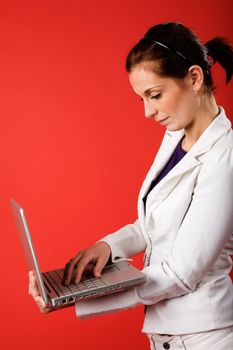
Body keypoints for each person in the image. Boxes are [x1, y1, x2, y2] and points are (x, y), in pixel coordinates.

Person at [29, 22, 233, 349]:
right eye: (141, 98)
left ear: (194, 78)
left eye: (155, 95)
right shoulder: (176, 139)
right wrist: (107, 247)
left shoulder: (225, 159)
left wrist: (83, 297)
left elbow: (181, 273)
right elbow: (154, 224)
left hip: (206, 339)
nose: (148, 111)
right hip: (167, 337)